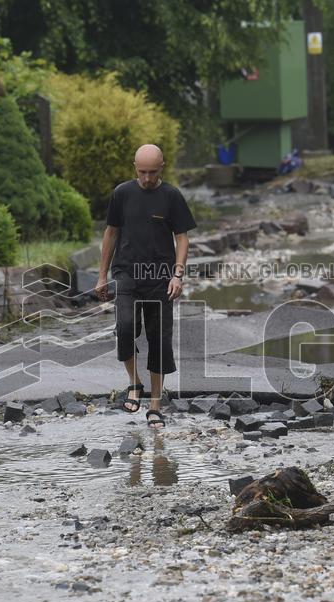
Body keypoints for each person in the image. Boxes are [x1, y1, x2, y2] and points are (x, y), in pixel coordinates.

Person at [96, 144, 196, 428]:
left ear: (162, 167)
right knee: (125, 328)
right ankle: (134, 383)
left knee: (159, 339)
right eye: (142, 172)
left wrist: (178, 275)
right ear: (134, 167)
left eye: (153, 172)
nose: (148, 178)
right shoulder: (122, 193)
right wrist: (102, 275)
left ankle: (155, 404)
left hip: (161, 277)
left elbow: (182, 237)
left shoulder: (172, 196)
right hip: (126, 272)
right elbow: (111, 233)